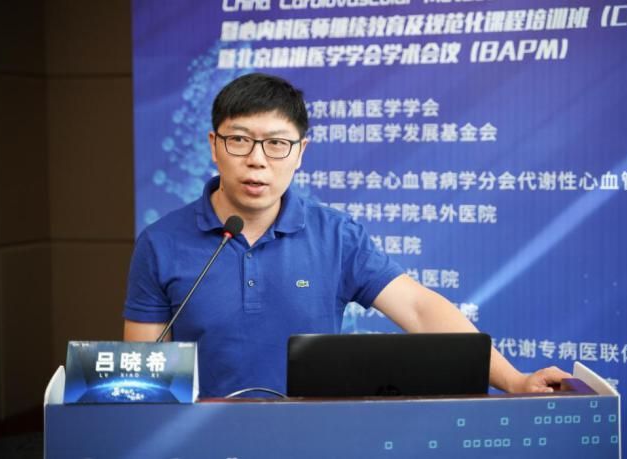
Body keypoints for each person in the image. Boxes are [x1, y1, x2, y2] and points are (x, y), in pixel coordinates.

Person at [123, 72, 570, 397]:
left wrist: (513, 380)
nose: (257, 159)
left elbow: (419, 309)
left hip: (314, 440)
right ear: (213, 145)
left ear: (300, 152)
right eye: (239, 140)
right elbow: (144, 371)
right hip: (200, 443)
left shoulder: (336, 236)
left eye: (277, 144)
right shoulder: (161, 243)